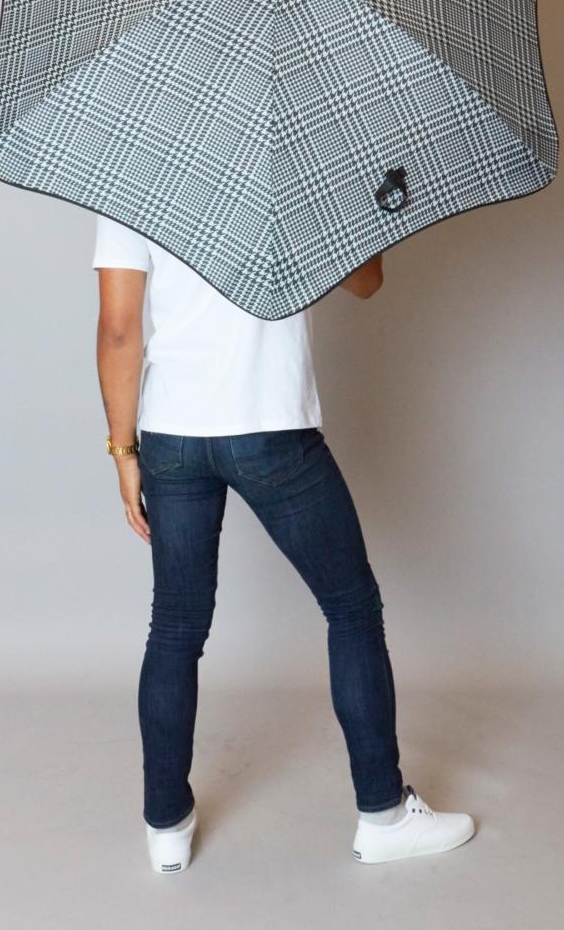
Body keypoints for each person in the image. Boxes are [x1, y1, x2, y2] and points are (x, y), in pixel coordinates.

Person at [91, 211, 475, 873]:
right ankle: (384, 816)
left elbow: (119, 328)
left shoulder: (130, 176)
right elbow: (368, 281)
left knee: (176, 627)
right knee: (351, 609)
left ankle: (166, 827)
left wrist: (124, 451)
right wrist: (340, 212)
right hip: (267, 425)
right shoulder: (293, 170)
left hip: (171, 434)